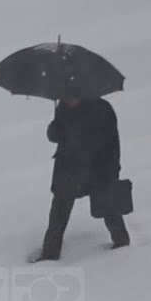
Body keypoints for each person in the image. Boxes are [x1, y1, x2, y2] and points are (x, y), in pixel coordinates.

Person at [31, 92, 130, 262]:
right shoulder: (63, 106)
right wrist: (53, 131)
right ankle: (50, 254)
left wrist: (111, 171)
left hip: (98, 168)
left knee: (108, 207)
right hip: (68, 167)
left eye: (72, 97)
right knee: (59, 210)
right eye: (65, 97)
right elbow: (59, 134)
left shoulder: (102, 109)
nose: (69, 100)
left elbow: (109, 143)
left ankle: (121, 242)